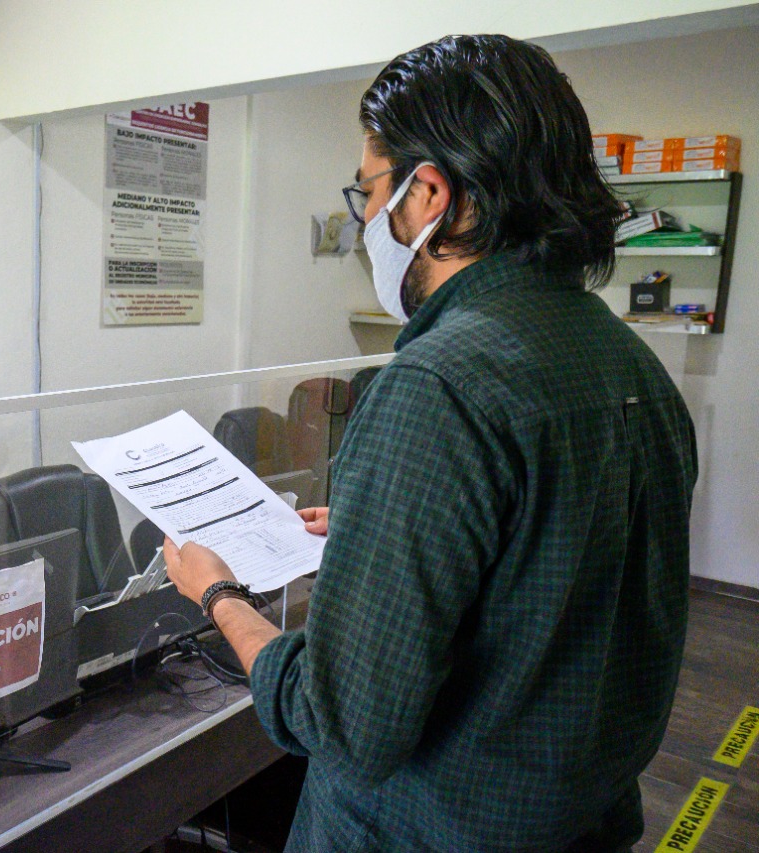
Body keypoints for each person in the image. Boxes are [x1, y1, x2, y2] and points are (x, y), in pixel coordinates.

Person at [164, 35, 697, 851]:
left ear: (431, 194)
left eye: (369, 191)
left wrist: (219, 595)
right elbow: (556, 571)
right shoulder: (630, 363)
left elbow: (342, 723)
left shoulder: (436, 385)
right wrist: (383, 533)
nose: (366, 220)